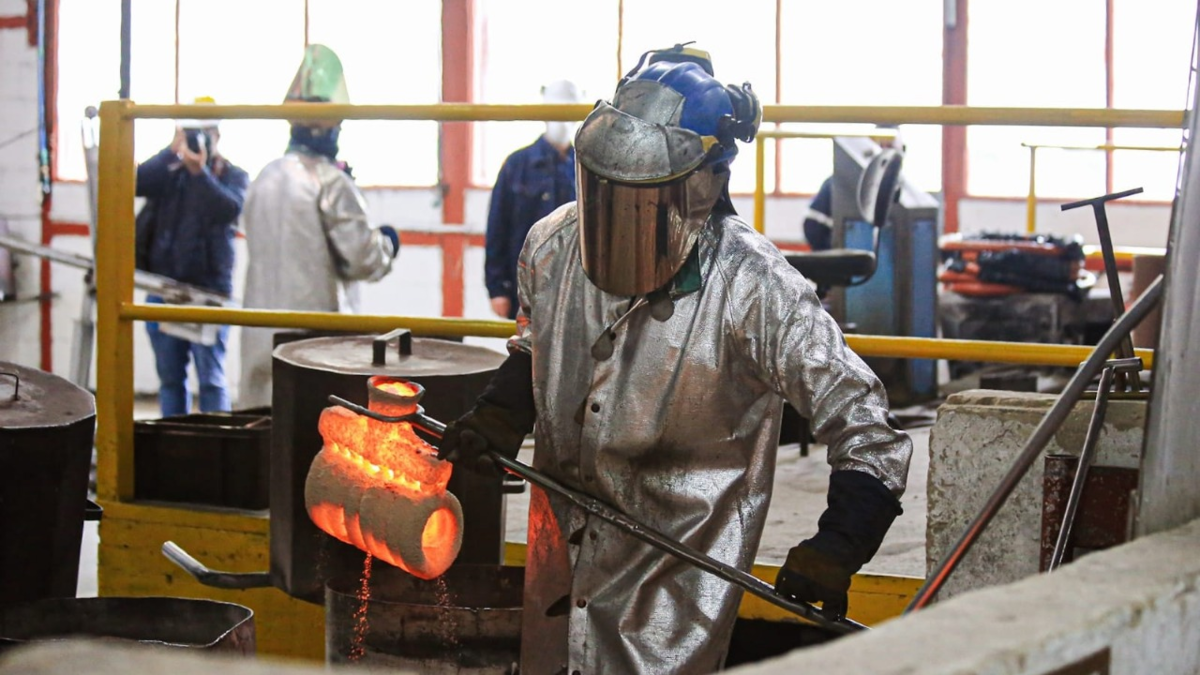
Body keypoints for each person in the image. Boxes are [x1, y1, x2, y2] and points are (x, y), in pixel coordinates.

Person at [437, 44, 913, 674]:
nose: (609, 218)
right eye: (601, 191)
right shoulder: (552, 246)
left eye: (635, 200)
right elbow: (536, 346)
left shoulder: (755, 287)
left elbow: (868, 428)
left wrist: (840, 541)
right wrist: (501, 411)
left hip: (675, 583)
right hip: (560, 566)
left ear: (703, 185)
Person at [237, 45, 398, 409]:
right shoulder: (331, 182)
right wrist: (387, 242)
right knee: (312, 425)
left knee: (263, 421)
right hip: (315, 339)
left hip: (259, 333)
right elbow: (363, 260)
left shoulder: (263, 177)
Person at [135, 98, 248, 417]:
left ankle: (218, 443)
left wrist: (200, 174)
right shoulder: (169, 173)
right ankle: (174, 438)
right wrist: (170, 151)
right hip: (164, 291)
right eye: (191, 132)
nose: (198, 140)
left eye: (204, 132)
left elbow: (228, 209)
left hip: (210, 294)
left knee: (211, 380)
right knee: (170, 380)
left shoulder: (232, 175)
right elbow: (134, 182)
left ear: (218, 135)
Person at [484, 79, 584, 319]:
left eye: (569, 109)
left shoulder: (586, 167)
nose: (562, 118)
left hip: (577, 289)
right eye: (557, 108)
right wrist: (497, 288)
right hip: (525, 287)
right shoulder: (516, 165)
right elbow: (497, 227)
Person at [803, 127, 903, 252]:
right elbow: (812, 225)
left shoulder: (893, 184)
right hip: (830, 244)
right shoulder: (835, 183)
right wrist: (830, 255)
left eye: (889, 146)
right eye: (882, 146)